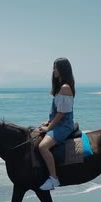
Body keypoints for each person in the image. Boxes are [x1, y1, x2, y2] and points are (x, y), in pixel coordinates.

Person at [37, 57, 76, 190]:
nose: (54, 70)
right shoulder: (61, 87)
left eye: (56, 67)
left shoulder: (65, 88)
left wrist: (48, 128)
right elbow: (56, 112)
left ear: (62, 70)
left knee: (43, 147)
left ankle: (54, 179)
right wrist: (47, 122)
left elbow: (61, 114)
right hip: (58, 123)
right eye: (53, 67)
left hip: (64, 126)